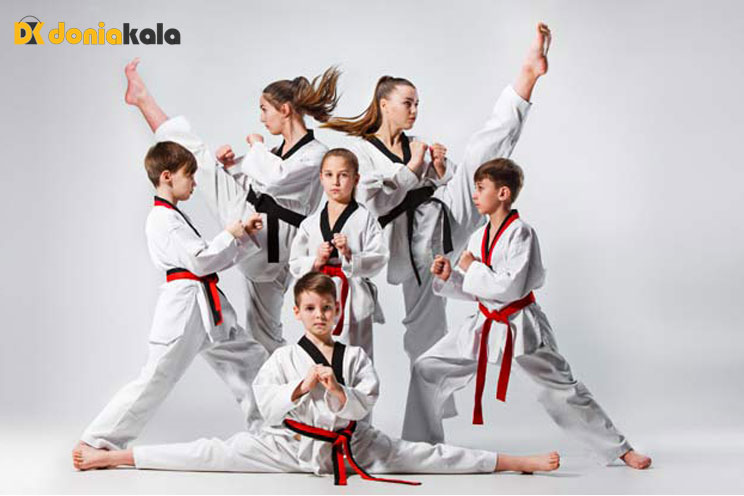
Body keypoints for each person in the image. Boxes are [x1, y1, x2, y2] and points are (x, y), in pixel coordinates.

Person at [73, 273, 560, 484]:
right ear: (298, 313)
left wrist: (337, 392)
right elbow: (266, 406)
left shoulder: (355, 356)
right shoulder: (285, 358)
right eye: (310, 308)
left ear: (338, 311)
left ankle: (518, 461)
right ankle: (113, 456)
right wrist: (301, 387)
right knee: (210, 453)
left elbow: (366, 400)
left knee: (430, 456)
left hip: (353, 445)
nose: (320, 315)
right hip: (288, 446)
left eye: (327, 307)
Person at [322, 24, 552, 376]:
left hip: (445, 217)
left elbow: (456, 182)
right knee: (425, 335)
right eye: (407, 103)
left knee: (481, 153)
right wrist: (413, 168)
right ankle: (428, 409)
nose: (414, 110)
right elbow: (372, 203)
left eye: (417, 104)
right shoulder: (361, 152)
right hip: (411, 245)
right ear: (384, 105)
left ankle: (527, 77)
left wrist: (442, 170)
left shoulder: (418, 143)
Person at [402, 158, 652, 470]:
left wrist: (472, 267)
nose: (475, 195)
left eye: (480, 188)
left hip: (518, 326)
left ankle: (620, 449)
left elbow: (510, 287)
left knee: (561, 390)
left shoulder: (522, 233)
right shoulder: (479, 236)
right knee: (427, 367)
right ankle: (419, 446)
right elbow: (479, 290)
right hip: (484, 324)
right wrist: (450, 276)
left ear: (503, 193)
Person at [123, 58, 340, 354]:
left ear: (285, 110)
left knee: (265, 336)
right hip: (255, 227)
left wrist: (255, 146)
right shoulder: (279, 151)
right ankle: (142, 98)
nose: (262, 118)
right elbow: (260, 180)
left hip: (268, 242)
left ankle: (295, 377)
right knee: (201, 161)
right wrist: (230, 166)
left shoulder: (317, 154)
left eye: (264, 109)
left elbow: (276, 178)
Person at [73, 133, 268, 459]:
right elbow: (201, 260)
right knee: (157, 376)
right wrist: (231, 234)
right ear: (167, 176)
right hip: (186, 305)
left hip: (205, 304)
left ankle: (272, 429)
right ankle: (97, 440)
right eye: (188, 175)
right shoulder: (161, 218)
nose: (193, 182)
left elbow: (208, 259)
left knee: (250, 359)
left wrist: (242, 235)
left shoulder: (173, 215)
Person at [289, 148, 388, 360]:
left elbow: (379, 256)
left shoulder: (365, 218)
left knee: (357, 354)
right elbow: (295, 262)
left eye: (343, 175)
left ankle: (355, 382)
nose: (335, 182)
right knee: (318, 351)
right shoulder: (310, 223)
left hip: (353, 295)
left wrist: (349, 255)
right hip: (318, 293)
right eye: (329, 175)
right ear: (321, 178)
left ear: (356, 179)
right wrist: (316, 261)